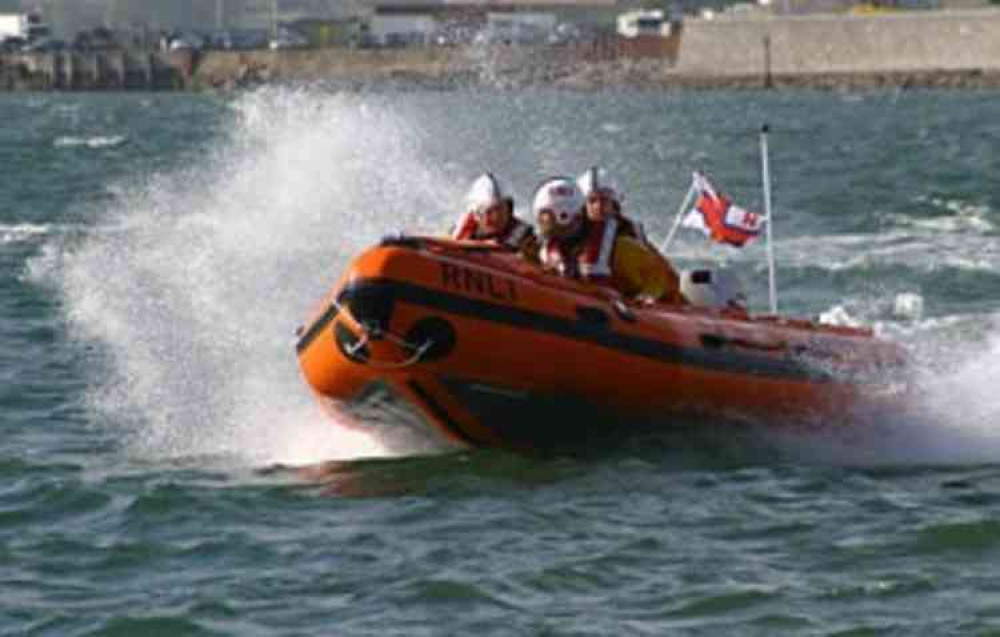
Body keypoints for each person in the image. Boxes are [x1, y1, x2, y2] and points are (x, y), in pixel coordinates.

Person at [533, 176, 685, 305]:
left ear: (564, 216)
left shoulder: (621, 249)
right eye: (592, 201)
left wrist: (645, 299)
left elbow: (663, 277)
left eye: (545, 216)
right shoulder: (547, 250)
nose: (598, 208)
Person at [451, 172, 538, 261]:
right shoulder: (463, 230)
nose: (496, 217)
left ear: (509, 209)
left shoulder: (525, 238)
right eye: (489, 211)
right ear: (477, 214)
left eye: (500, 210)